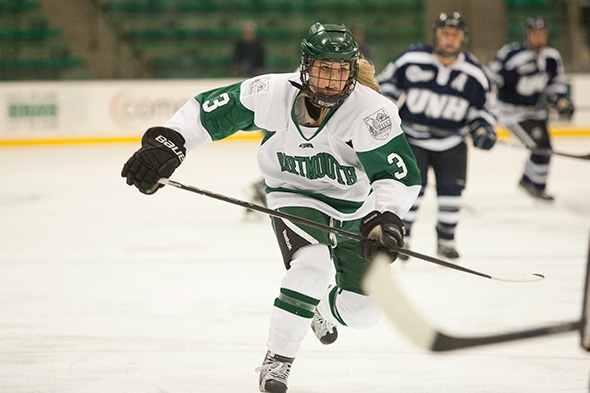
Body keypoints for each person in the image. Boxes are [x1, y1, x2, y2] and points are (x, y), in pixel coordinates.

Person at [121, 22, 422, 393]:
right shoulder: (272, 92)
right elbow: (207, 112)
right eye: (322, 69)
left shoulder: (372, 111)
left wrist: (387, 219)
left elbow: (398, 176)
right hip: (292, 194)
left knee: (363, 314)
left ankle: (320, 308)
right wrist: (169, 144)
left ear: (350, 72)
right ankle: (277, 363)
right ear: (305, 65)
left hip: (353, 206)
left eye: (339, 71)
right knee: (310, 269)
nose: (330, 80)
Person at [376, 11, 496, 260]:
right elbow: (385, 86)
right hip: (411, 139)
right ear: (435, 36)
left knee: (451, 192)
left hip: (451, 142)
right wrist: (385, 110)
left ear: (462, 39)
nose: (449, 39)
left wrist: (482, 127)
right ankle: (403, 236)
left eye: (455, 35)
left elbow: (482, 108)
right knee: (410, 190)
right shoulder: (412, 59)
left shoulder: (474, 73)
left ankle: (446, 239)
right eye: (445, 34)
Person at [484, 16, 575, 201]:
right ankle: (536, 186)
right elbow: (489, 76)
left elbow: (555, 85)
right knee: (542, 148)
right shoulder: (512, 54)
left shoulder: (552, 56)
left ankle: (528, 180)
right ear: (528, 35)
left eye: (542, 33)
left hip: (537, 112)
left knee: (542, 148)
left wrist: (561, 100)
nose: (539, 38)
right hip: (511, 113)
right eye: (535, 33)